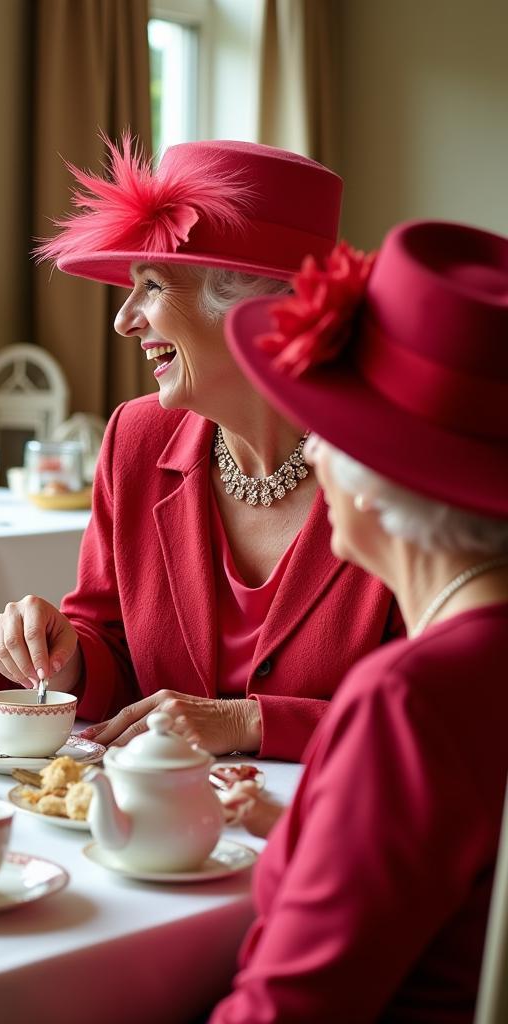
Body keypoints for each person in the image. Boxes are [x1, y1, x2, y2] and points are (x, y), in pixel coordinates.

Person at [0, 136, 398, 761]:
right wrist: (64, 654)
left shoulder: (391, 469)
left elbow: (442, 711)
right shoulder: (137, 439)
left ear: (253, 309)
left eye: (151, 285)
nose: (124, 320)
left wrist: (249, 722)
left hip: (330, 826)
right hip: (157, 824)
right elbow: (114, 650)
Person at [210, 219, 508, 1021]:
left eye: (330, 428)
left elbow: (292, 1010)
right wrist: (311, 824)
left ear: (384, 476)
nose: (309, 456)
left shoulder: (415, 695)